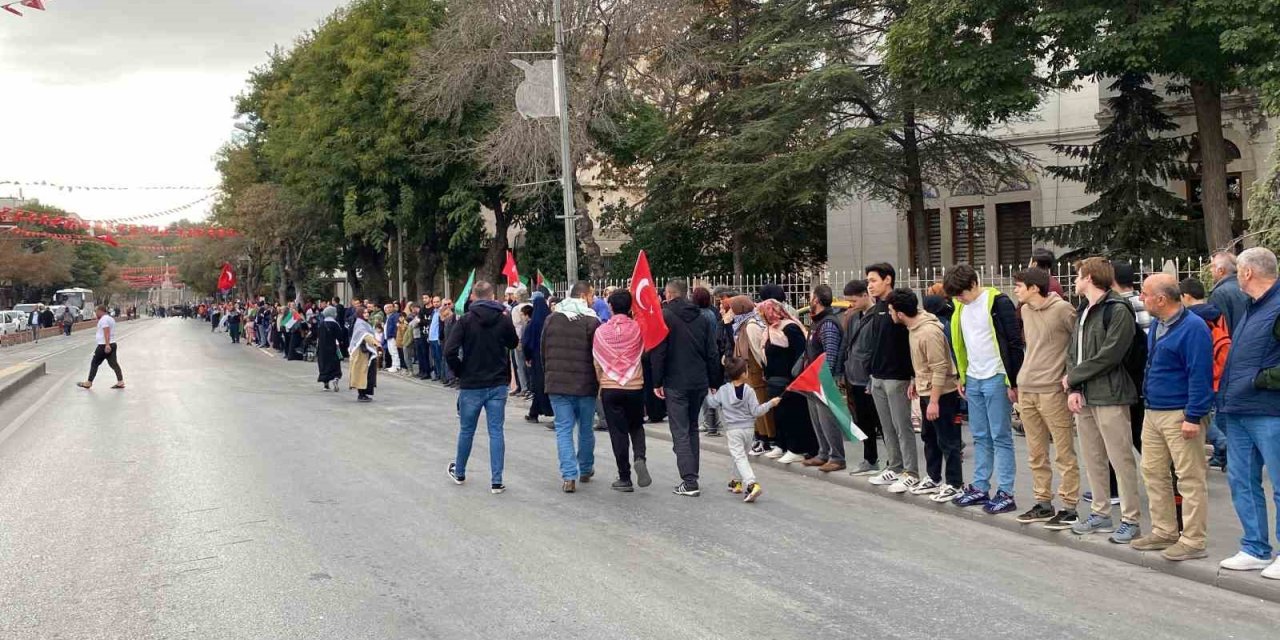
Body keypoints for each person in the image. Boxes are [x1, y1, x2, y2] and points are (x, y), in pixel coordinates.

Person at [1131, 273, 1214, 561]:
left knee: (1189, 477)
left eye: (1145, 294)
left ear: (1161, 299)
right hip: (1154, 410)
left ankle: (1193, 540)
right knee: (1153, 472)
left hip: (1180, 413)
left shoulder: (1193, 328)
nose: (1142, 298)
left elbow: (1200, 375)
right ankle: (1165, 530)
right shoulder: (1158, 324)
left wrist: (1193, 416)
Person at [1066, 257, 1143, 543]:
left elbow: (1112, 354)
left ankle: (1130, 518)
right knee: (1093, 457)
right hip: (1085, 395)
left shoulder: (1118, 309)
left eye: (1077, 276)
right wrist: (1074, 387)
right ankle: (1100, 513)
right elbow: (1073, 350)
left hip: (1111, 394)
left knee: (1120, 459)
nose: (1074, 281)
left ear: (1088, 277)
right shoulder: (1083, 309)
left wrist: (1074, 377)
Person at [1215, 248, 1280, 578]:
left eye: (1237, 270)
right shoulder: (1253, 308)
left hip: (1270, 410)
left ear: (1247, 273)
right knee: (1242, 480)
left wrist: (1260, 380)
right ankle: (1255, 547)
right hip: (1240, 408)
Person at [944, 264, 1025, 515]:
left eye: (961, 293)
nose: (958, 299)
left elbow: (1014, 343)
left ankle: (1006, 492)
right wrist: (961, 374)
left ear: (973, 285)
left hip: (996, 376)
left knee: (1000, 435)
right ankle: (980, 486)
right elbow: (959, 343)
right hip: (973, 377)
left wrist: (1014, 381)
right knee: (979, 435)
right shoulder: (960, 307)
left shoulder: (997, 302)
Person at [1011, 268, 1081, 529]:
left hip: (1052, 389)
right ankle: (1043, 502)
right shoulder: (1026, 311)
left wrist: (1070, 377)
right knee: (1036, 452)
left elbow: (1077, 344)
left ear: (1033, 287)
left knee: (1064, 452)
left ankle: (1069, 506)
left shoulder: (1063, 310)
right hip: (1027, 387)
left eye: (1019, 286)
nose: (1016, 290)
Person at [887, 288, 963, 502]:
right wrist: (915, 381)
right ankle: (934, 477)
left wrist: (934, 402)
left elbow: (939, 367)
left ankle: (955, 484)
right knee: (929, 437)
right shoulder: (914, 328)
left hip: (941, 393)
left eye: (892, 310)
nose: (891, 314)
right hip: (926, 390)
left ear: (900, 313)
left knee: (947, 440)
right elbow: (922, 363)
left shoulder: (928, 332)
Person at [445, 281, 520, 495]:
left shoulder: (465, 320)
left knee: (467, 430)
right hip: (497, 382)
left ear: (474, 297)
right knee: (496, 431)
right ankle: (496, 481)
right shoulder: (503, 319)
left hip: (471, 383)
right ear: (493, 295)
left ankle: (459, 472)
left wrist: (460, 371)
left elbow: (449, 351)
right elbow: (514, 343)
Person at [651, 278, 721, 497]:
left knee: (680, 431)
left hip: (675, 381)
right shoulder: (701, 316)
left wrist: (657, 381)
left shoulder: (665, 316)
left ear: (669, 295)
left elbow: (659, 351)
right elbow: (712, 351)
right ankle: (693, 475)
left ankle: (689, 481)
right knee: (692, 429)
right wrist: (714, 381)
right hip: (699, 381)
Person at [863, 264, 919, 492]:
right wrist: (871, 375)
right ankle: (894, 466)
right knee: (886, 426)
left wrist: (914, 376)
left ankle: (911, 472)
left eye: (874, 280)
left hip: (898, 376)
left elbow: (912, 340)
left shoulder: (900, 305)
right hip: (877, 377)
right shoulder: (877, 309)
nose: (870, 285)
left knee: (902, 426)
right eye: (868, 280)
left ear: (888, 280)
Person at [542, 282, 603, 493]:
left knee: (563, 429)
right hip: (585, 384)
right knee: (585, 427)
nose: (594, 300)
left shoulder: (551, 319)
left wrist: (549, 374)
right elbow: (598, 354)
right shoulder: (592, 321)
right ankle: (585, 468)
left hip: (557, 383)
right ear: (584, 296)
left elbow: (544, 351)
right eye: (592, 295)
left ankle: (569, 476)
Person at [594, 289, 651, 492]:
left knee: (617, 433)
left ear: (610, 307)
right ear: (630, 307)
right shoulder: (638, 329)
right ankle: (640, 457)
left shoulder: (601, 332)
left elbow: (597, 360)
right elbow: (644, 352)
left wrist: (599, 383)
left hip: (610, 387)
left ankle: (624, 477)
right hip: (634, 386)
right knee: (636, 426)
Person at [708, 357, 781, 503]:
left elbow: (712, 403)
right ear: (744, 374)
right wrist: (770, 404)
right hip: (748, 430)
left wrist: (709, 392)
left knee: (739, 456)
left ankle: (751, 483)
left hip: (733, 430)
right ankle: (736, 482)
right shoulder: (749, 390)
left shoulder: (723, 390)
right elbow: (756, 411)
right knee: (741, 456)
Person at [758, 298, 819, 465]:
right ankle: (782, 444)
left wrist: (794, 378)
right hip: (774, 379)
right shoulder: (770, 330)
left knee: (792, 414)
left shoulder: (790, 328)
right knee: (779, 414)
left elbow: (800, 354)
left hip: (789, 380)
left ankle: (797, 448)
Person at [1181, 277, 1231, 471]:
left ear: (1185, 296)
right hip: (1220, 369)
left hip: (1203, 371)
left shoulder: (1190, 318)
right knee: (1214, 414)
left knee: (1201, 415)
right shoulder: (1217, 313)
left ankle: (1221, 443)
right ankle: (1221, 453)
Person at [838, 279, 882, 475]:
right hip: (853, 376)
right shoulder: (854, 317)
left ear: (865, 295)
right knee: (863, 422)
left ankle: (896, 463)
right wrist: (842, 371)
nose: (851, 305)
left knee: (880, 422)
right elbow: (845, 344)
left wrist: (873, 375)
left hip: (869, 378)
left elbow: (877, 349)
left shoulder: (877, 317)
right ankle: (870, 459)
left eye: (854, 300)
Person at [802, 284, 847, 472]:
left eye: (811, 296)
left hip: (823, 379)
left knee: (827, 418)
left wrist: (825, 378)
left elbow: (831, 352)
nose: (809, 300)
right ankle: (823, 453)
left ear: (816, 300)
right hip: (812, 377)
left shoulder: (828, 323)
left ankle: (837, 457)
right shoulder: (817, 321)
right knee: (817, 419)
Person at [728, 295, 775, 457]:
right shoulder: (742, 324)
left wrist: (763, 371)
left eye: (733, 309)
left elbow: (757, 350)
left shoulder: (751, 325)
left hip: (755, 372)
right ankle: (759, 437)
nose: (731, 312)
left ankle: (767, 439)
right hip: (747, 372)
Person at [693, 286, 725, 437]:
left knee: (707, 392)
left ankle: (710, 422)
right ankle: (713, 421)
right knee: (710, 390)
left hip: (704, 354)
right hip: (712, 352)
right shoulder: (711, 313)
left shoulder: (699, 315)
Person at [523, 292, 554, 423]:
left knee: (538, 386)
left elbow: (526, 343)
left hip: (536, 358)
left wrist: (527, 357)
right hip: (551, 358)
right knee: (547, 386)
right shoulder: (551, 321)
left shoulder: (533, 324)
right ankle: (534, 412)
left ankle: (534, 413)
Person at [76, 306, 124, 390]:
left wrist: (107, 344)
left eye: (96, 311)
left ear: (100, 311)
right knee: (114, 364)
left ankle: (89, 382)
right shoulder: (110, 319)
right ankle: (120, 381)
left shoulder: (104, 320)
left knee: (94, 363)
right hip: (112, 343)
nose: (96, 313)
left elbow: (106, 331)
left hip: (103, 345)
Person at [1209, 251, 1251, 334]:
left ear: (1221, 270)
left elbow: (1220, 332)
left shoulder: (1219, 294)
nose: (1210, 270)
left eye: (1212, 267)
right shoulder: (1249, 286)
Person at [348, 306, 379, 402]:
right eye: (364, 313)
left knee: (366, 372)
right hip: (361, 353)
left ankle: (364, 393)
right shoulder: (360, 324)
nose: (367, 314)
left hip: (365, 351)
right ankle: (361, 394)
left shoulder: (363, 323)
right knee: (361, 372)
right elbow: (365, 335)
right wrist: (376, 343)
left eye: (367, 312)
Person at [315, 305, 344, 392]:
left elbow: (318, 335)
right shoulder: (335, 324)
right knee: (335, 365)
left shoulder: (321, 323)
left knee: (324, 365)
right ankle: (335, 378)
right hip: (333, 347)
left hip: (322, 348)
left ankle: (326, 384)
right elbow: (340, 336)